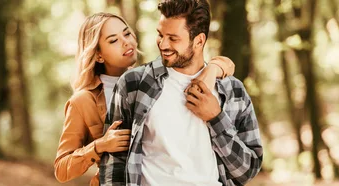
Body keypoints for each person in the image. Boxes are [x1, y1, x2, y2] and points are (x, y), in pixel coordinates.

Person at [53, 12, 235, 186]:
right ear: (98, 54)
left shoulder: (152, 79)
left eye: (126, 34)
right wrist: (99, 146)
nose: (126, 43)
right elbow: (61, 169)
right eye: (114, 40)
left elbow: (213, 64)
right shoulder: (82, 102)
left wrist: (214, 68)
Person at [98, 1, 263, 185]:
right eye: (160, 35)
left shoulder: (233, 91)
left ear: (199, 40)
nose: (163, 44)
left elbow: (247, 170)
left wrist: (216, 119)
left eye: (173, 38)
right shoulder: (134, 84)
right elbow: (114, 161)